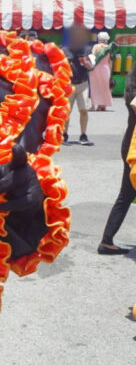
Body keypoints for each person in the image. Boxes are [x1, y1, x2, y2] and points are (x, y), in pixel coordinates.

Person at [98, 66, 136, 255]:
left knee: (126, 195)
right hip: (134, 149)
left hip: (130, 147)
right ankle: (106, 241)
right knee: (126, 194)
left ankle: (106, 241)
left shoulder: (132, 88)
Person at [63, 25, 94, 146]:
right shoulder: (64, 50)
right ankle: (64, 134)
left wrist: (89, 65)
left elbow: (92, 66)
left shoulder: (87, 49)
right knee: (66, 112)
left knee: (84, 110)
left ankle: (83, 135)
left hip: (83, 84)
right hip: (69, 84)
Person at [89, 31, 114, 111]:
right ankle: (102, 105)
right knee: (104, 87)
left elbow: (92, 57)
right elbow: (110, 61)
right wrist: (110, 71)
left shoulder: (96, 46)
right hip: (106, 69)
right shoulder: (109, 48)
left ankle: (93, 106)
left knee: (94, 87)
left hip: (95, 69)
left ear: (99, 39)